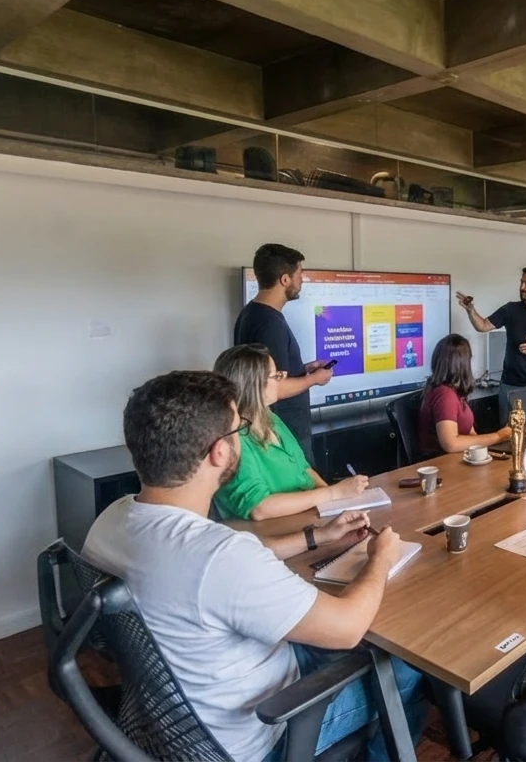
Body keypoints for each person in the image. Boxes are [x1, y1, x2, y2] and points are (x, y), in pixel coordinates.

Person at [82, 371, 428, 762]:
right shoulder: (220, 558)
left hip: (173, 721)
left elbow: (224, 558)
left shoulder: (112, 519)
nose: (241, 437)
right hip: (260, 736)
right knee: (405, 671)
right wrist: (380, 558)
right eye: (238, 429)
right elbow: (347, 628)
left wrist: (316, 536)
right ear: (219, 452)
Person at [212, 344, 370, 520]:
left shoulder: (270, 418)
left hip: (306, 517)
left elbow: (304, 469)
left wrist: (337, 503)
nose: (281, 381)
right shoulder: (232, 438)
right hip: (271, 530)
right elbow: (259, 508)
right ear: (254, 386)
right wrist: (333, 493)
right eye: (276, 376)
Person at [233, 243, 332, 463]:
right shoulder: (270, 324)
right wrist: (314, 379)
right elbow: (273, 386)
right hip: (285, 429)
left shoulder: (252, 313)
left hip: (275, 427)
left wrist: (303, 369)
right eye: (300, 274)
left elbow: (269, 373)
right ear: (285, 279)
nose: (302, 281)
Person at [456, 265, 526, 417]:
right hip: (510, 386)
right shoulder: (510, 310)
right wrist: (470, 310)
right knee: (508, 430)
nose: (522, 287)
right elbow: (482, 326)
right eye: (521, 282)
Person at [419, 334, 513, 457]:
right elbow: (451, 444)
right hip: (443, 461)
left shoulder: (454, 392)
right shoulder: (444, 395)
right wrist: (499, 436)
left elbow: (470, 434)